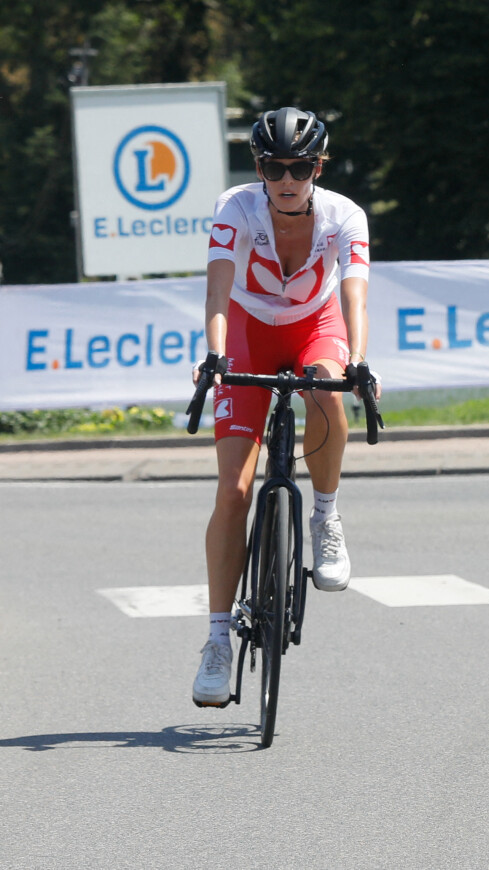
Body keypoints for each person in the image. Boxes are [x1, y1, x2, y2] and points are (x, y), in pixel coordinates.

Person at [192, 106, 374, 706]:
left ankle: (325, 516)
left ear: (318, 166)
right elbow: (218, 285)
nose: (287, 178)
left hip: (313, 325)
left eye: (299, 166)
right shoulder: (235, 207)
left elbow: (354, 297)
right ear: (259, 167)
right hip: (247, 329)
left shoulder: (344, 216)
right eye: (274, 166)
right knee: (233, 491)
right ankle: (218, 642)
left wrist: (359, 363)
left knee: (328, 390)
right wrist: (215, 354)